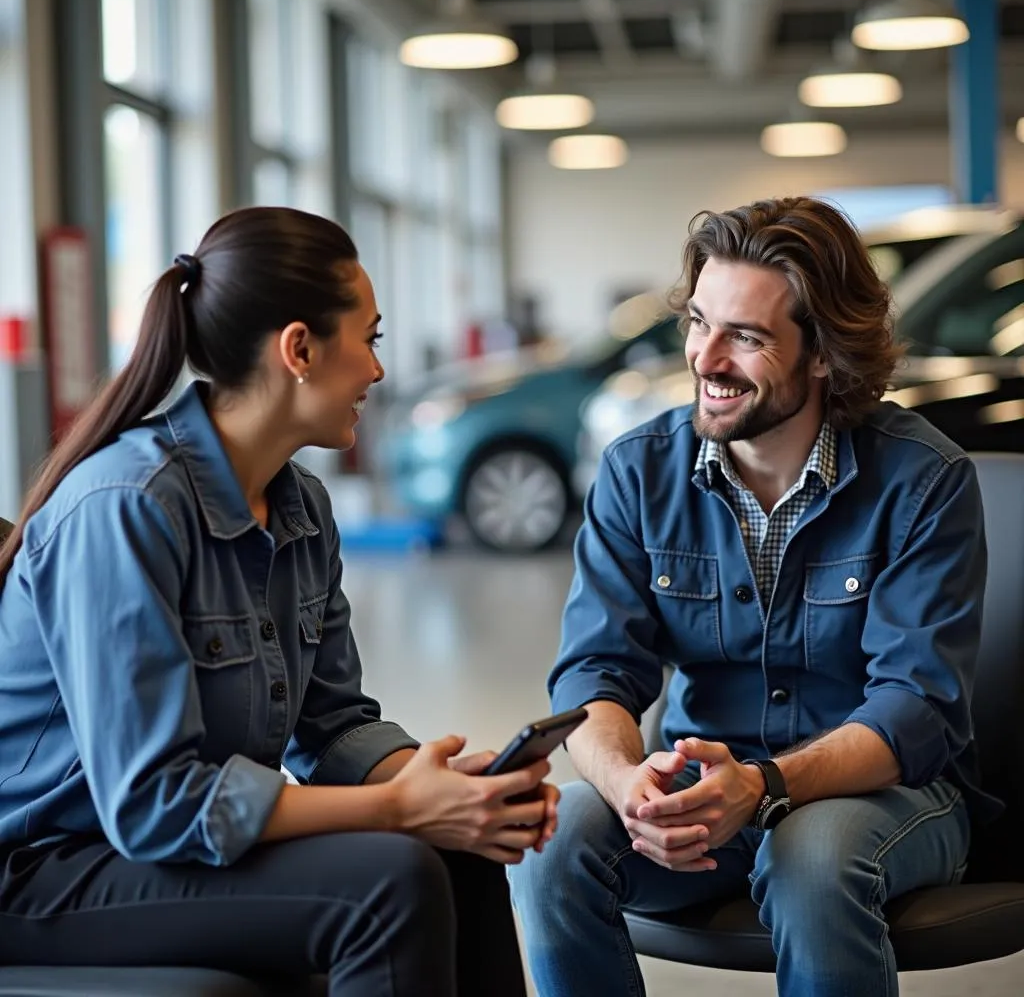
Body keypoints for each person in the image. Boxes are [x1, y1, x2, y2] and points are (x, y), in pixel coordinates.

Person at [0, 206, 559, 997]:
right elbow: (155, 803)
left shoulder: (300, 508)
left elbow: (332, 727)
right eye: (369, 339)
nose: (377, 370)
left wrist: (450, 791)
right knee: (387, 882)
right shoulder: (124, 508)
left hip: (155, 851)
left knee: (457, 853)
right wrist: (402, 810)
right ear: (299, 349)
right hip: (45, 871)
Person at [509, 196, 1002, 997]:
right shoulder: (639, 472)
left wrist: (764, 785)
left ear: (822, 356)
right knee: (554, 838)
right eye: (700, 322)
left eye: (745, 335)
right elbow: (595, 672)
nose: (706, 358)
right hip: (708, 785)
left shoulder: (923, 480)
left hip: (890, 795)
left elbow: (916, 709)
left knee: (810, 856)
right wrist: (624, 785)